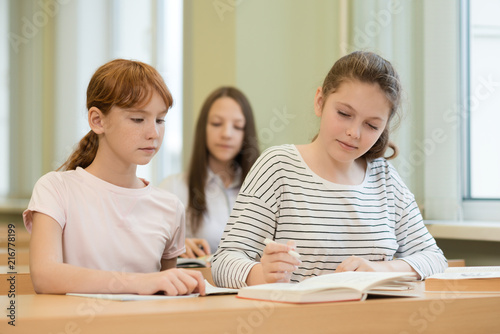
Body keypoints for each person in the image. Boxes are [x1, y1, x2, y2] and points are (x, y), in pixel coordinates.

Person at [211, 51, 448, 288]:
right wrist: (261, 274)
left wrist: (379, 269)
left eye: (371, 125)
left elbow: (434, 258)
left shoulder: (384, 178)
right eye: (344, 114)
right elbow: (223, 263)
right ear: (320, 102)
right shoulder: (278, 167)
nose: (354, 133)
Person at [23, 59, 205, 296]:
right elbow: (45, 276)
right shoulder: (55, 189)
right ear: (97, 120)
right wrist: (139, 282)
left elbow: (166, 295)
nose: (153, 133)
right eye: (138, 119)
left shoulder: (170, 207)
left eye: (160, 120)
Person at [160, 86, 259, 259]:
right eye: (216, 123)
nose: (226, 134)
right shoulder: (174, 188)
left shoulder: (262, 188)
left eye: (237, 126)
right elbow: (149, 245)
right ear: (203, 128)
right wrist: (173, 246)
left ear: (246, 133)